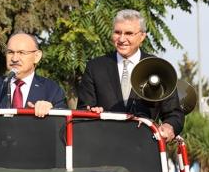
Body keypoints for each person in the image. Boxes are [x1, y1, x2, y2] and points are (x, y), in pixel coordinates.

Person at [77, 9, 184, 142]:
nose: (122, 39)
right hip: (103, 148)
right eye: (117, 32)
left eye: (128, 33)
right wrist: (91, 113)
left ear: (142, 36)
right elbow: (82, 111)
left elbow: (174, 114)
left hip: (144, 148)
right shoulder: (95, 67)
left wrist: (169, 127)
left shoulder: (158, 68)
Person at [0, 32, 66, 118]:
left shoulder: (52, 91)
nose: (14, 58)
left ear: (37, 56)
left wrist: (52, 112)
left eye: (21, 53)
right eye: (10, 52)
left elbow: (61, 130)